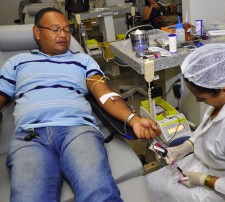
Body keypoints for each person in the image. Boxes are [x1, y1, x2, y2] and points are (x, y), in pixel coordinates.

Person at [0, 7, 160, 201]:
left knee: (99, 192)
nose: (63, 35)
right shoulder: (17, 62)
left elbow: (105, 95)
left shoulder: (82, 60)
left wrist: (134, 119)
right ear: (37, 32)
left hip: (77, 131)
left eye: (67, 30)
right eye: (55, 29)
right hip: (30, 136)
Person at [145, 43, 225, 201]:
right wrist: (185, 147)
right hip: (207, 161)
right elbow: (211, 128)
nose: (197, 100)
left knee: (158, 190)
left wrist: (202, 179)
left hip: (224, 188)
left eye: (202, 97)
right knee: (150, 183)